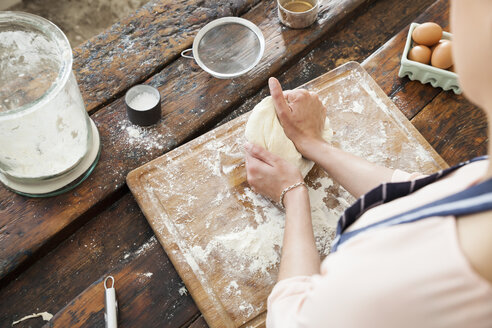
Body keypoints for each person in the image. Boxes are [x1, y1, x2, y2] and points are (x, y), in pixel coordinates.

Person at [243, 1, 492, 327]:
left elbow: (289, 319)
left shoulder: (390, 281)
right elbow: (421, 192)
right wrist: (314, 145)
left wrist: (292, 192)